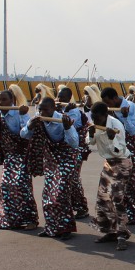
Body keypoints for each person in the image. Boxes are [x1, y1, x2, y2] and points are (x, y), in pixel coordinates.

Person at [21, 97, 79, 239]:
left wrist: (67, 128)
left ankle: (65, 228)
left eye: (45, 109)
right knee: (47, 195)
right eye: (40, 109)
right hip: (51, 161)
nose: (41, 112)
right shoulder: (37, 119)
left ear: (53, 109)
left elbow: (74, 143)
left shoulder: (62, 120)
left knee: (60, 194)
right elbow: (23, 135)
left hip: (66, 159)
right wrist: (29, 126)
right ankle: (51, 227)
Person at [0, 90, 38, 231]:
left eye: (4, 100)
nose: (1, 103)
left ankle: (31, 220)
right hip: (9, 156)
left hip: (22, 155)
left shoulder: (20, 112)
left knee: (22, 186)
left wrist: (25, 115)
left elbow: (27, 134)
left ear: (12, 100)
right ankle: (8, 220)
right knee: (6, 187)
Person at [101, 87, 135, 224]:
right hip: (121, 149)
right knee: (123, 183)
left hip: (134, 149)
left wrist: (124, 116)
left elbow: (132, 129)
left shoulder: (131, 107)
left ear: (114, 98)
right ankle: (128, 212)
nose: (107, 106)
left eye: (108, 102)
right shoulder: (112, 109)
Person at [87, 102, 132, 251]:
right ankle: (110, 231)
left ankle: (122, 234)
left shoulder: (116, 125)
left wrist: (112, 138)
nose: (95, 121)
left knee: (116, 197)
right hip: (108, 163)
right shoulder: (96, 123)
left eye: (98, 118)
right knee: (103, 198)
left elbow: (118, 151)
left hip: (122, 163)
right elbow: (91, 143)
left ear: (105, 115)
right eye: (93, 118)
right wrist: (91, 133)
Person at [57, 87, 90, 219]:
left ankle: (82, 207)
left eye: (63, 98)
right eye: (59, 97)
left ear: (69, 98)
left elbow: (71, 128)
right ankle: (67, 206)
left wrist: (65, 111)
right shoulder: (59, 108)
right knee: (64, 179)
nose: (60, 100)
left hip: (74, 150)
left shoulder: (74, 111)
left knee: (74, 179)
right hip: (62, 150)